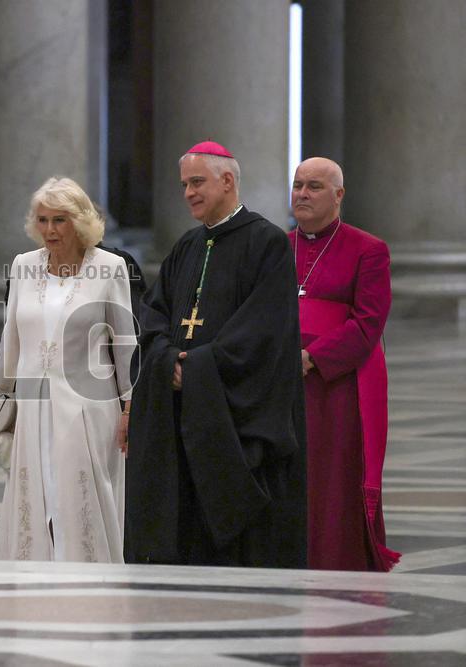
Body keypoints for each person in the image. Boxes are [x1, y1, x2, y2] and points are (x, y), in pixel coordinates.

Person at [125, 141, 307, 568]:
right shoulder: (187, 247)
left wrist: (200, 369)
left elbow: (264, 329)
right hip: (182, 409)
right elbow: (154, 314)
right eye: (184, 184)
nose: (188, 192)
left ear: (227, 181)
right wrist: (166, 360)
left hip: (234, 417)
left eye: (197, 182)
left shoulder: (267, 244)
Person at [0, 176, 136, 563]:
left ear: (81, 221)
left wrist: (130, 406)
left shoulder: (110, 267)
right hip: (34, 401)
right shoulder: (23, 266)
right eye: (43, 219)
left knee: (79, 494)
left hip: (89, 405)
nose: (49, 230)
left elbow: (124, 344)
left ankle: (90, 580)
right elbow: (11, 334)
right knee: (37, 492)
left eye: (60, 220)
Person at [290, 157, 400, 571]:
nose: (302, 193)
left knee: (335, 474)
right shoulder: (278, 247)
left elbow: (369, 322)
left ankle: (339, 559)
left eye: (314, 186)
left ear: (339, 195)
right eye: (298, 185)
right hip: (284, 376)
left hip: (341, 381)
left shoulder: (369, 249)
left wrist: (314, 358)